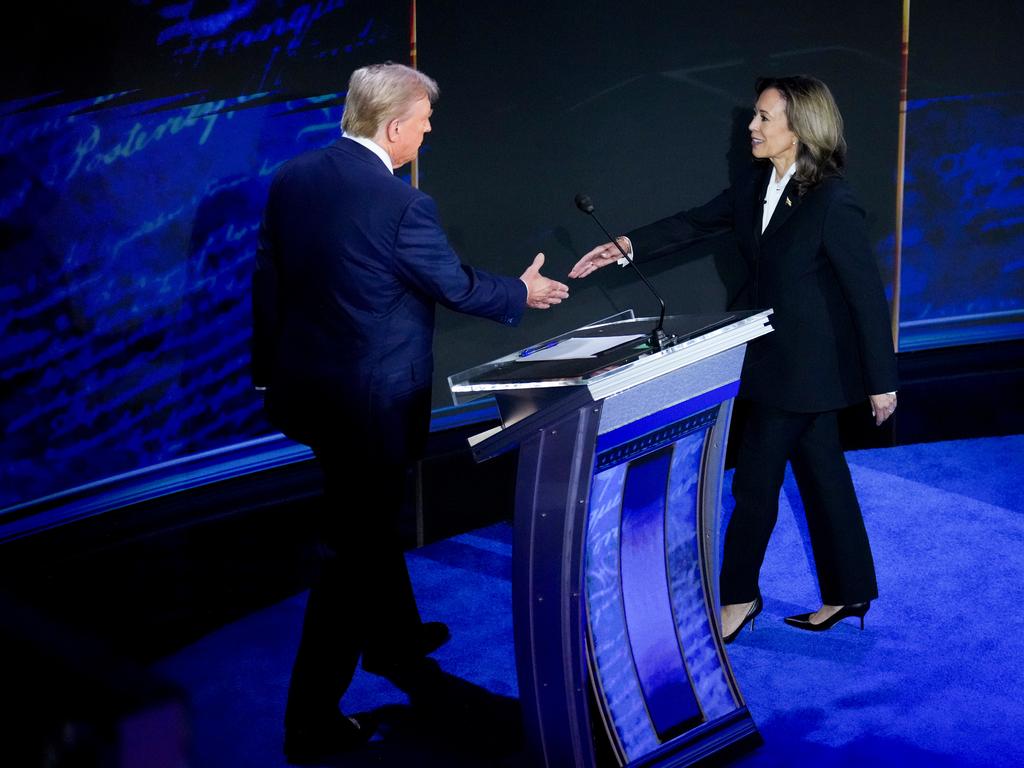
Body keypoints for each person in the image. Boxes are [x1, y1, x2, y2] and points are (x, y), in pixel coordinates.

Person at [252, 62, 569, 762]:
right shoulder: (402, 206)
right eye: (425, 120)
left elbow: (268, 281)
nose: (429, 130)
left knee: (364, 521)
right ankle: (310, 721)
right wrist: (521, 291)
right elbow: (451, 283)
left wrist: (267, 381)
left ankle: (394, 642)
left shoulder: (296, 177)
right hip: (372, 405)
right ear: (395, 127)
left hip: (314, 398)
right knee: (352, 555)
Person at [569, 75, 897, 644]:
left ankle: (739, 597)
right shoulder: (754, 186)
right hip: (770, 360)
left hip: (803, 372)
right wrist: (627, 245)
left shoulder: (833, 202)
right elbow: (695, 222)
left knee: (755, 484)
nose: (753, 125)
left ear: (798, 130)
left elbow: (865, 296)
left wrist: (881, 381)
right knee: (823, 476)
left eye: (765, 118)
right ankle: (850, 589)